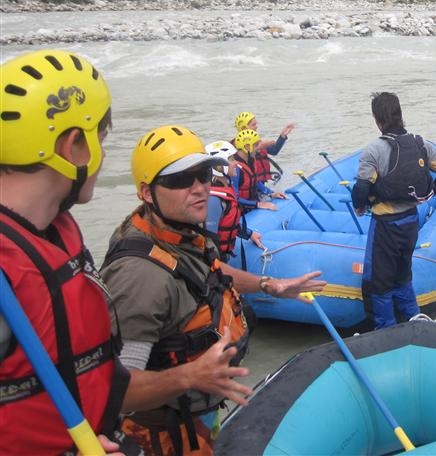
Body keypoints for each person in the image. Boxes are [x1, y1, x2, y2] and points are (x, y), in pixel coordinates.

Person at [100, 125, 326, 455]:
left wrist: (267, 285)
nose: (199, 189)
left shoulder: (177, 233)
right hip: (166, 437)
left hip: (197, 414)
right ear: (147, 192)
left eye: (203, 175)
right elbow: (117, 391)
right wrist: (190, 377)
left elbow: (210, 273)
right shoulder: (140, 278)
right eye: (180, 180)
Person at [0, 49, 130, 455]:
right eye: (101, 140)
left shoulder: (54, 229)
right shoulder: (8, 268)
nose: (103, 157)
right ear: (73, 146)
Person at [351, 92, 436, 329]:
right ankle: (414, 322)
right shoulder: (421, 144)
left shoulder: (373, 150)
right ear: (400, 114)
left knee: (380, 284)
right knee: (402, 276)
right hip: (410, 221)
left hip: (386, 225)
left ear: (377, 119)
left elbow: (360, 190)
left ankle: (386, 332)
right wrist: (428, 195)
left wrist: (362, 205)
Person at [205, 140, 263, 262]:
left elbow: (229, 222)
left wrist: (249, 234)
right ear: (218, 167)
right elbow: (208, 239)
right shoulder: (214, 200)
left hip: (224, 254)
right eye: (231, 160)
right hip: (216, 258)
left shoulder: (226, 189)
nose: (236, 163)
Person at [233, 111, 294, 197]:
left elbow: (274, 150)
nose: (256, 126)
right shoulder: (237, 148)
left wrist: (283, 136)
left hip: (259, 184)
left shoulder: (256, 142)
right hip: (248, 186)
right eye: (253, 125)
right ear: (243, 128)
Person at [231, 128, 285, 212]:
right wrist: (258, 204)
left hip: (253, 203)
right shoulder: (235, 168)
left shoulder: (251, 161)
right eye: (256, 145)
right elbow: (234, 197)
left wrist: (271, 193)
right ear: (247, 147)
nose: (259, 148)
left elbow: (255, 182)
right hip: (242, 210)